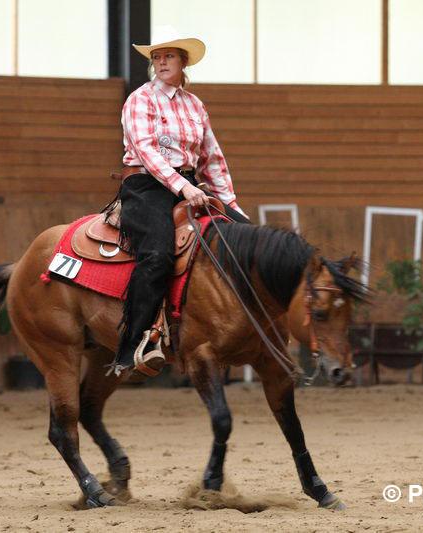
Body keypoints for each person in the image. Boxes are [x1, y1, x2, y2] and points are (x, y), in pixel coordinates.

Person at [108, 27, 249, 376]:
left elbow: (212, 159)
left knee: (248, 240)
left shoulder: (195, 105)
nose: (161, 62)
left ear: (183, 62)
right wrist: (183, 188)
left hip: (187, 183)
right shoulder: (140, 99)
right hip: (145, 184)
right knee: (157, 254)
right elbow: (146, 150)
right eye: (156, 57)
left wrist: (232, 206)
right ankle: (134, 343)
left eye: (168, 56)